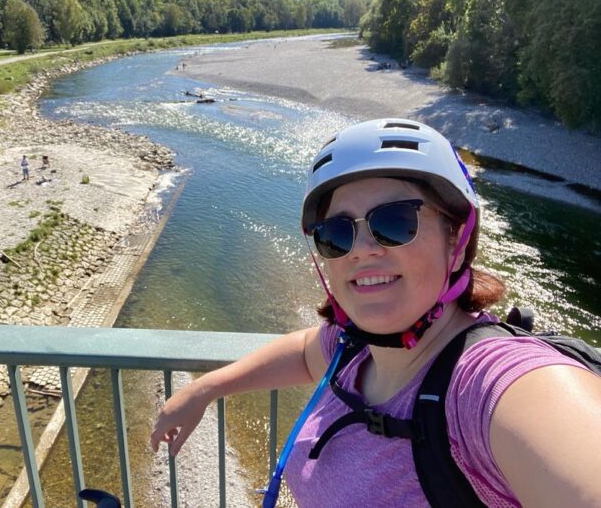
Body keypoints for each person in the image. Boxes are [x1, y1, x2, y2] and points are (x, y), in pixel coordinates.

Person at [150, 119, 601, 507]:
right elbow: (307, 350)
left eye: (394, 222)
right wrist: (206, 389)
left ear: (455, 235)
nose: (362, 250)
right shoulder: (353, 349)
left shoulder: (490, 384)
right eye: (336, 235)